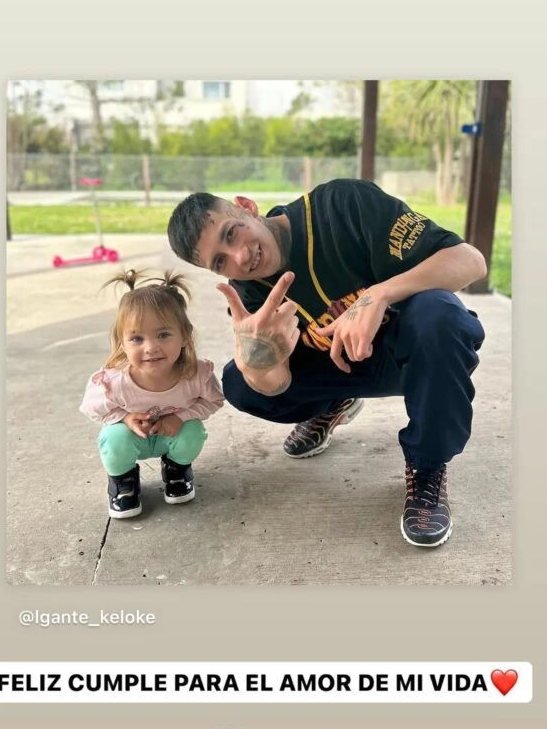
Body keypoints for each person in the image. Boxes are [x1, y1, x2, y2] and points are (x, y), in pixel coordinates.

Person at [167, 179, 487, 548]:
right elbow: (276, 386)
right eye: (220, 261)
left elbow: (470, 261)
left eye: (231, 232)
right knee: (241, 381)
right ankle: (335, 405)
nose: (239, 257)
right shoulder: (249, 293)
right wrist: (259, 360)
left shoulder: (342, 205)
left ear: (246, 206)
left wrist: (378, 294)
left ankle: (427, 467)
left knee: (440, 315)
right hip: (343, 369)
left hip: (415, 357)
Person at [80, 269, 224, 519]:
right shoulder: (115, 381)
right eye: (137, 338)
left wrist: (181, 417)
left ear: (184, 335)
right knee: (114, 438)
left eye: (163, 335)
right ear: (122, 342)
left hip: (171, 435)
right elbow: (92, 407)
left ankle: (176, 469)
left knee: (193, 431)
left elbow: (214, 401)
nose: (150, 347)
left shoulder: (196, 374)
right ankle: (123, 481)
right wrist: (125, 418)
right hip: (132, 438)